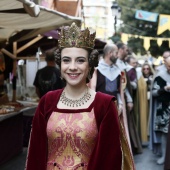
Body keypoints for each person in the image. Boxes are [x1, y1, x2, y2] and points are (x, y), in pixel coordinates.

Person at [25, 23, 134, 170]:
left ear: (90, 64)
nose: (72, 67)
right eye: (66, 60)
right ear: (60, 64)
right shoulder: (47, 101)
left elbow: (109, 159)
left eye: (80, 60)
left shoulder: (104, 104)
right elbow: (35, 155)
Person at [149, 57, 170, 165]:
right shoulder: (160, 76)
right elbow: (154, 92)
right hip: (164, 108)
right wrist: (164, 89)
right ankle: (164, 156)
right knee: (164, 133)